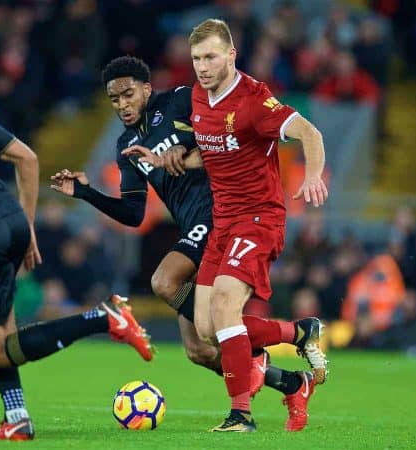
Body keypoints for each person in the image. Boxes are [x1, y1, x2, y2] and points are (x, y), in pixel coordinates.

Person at [53, 56, 322, 430]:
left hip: (220, 214)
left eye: (128, 94)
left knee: (164, 281)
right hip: (191, 227)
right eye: (114, 99)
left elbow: (221, 135)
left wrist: (189, 150)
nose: (123, 105)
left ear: (147, 89)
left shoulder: (180, 102)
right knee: (200, 349)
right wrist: (86, 193)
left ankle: (250, 394)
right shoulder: (127, 145)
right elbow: (133, 213)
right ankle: (292, 379)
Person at [123, 19, 329, 432]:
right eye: (197, 58)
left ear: (231, 55)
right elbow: (215, 152)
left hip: (259, 218)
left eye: (211, 56)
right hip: (223, 221)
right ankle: (299, 334)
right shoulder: (200, 96)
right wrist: (172, 159)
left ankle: (241, 416)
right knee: (207, 330)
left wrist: (312, 175)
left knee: (224, 308)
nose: (202, 66)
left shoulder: (254, 100)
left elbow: (310, 132)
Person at [0, 102, 153, 442]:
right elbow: (27, 158)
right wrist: (28, 226)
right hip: (11, 220)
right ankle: (17, 417)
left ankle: (104, 318)